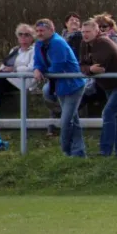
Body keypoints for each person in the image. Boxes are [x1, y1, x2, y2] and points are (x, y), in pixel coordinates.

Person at [33, 19, 87, 157]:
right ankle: (78, 152)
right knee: (73, 120)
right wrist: (37, 69)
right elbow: (38, 62)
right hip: (60, 86)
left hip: (73, 85)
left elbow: (58, 66)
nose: (39, 33)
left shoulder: (57, 43)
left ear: (51, 30)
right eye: (37, 31)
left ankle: (66, 151)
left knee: (66, 120)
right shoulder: (39, 44)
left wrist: (43, 72)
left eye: (42, 31)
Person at [80, 20, 117, 157]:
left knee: (108, 113)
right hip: (107, 85)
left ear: (96, 32)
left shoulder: (103, 42)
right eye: (83, 32)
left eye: (88, 32)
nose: (85, 35)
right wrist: (90, 68)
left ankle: (105, 151)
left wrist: (89, 68)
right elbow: (82, 65)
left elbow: (101, 67)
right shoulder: (84, 44)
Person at [0, 24, 38, 110]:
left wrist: (14, 69)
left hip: (25, 80)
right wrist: (5, 70)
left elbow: (31, 68)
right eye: (20, 34)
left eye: (26, 35)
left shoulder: (34, 50)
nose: (23, 37)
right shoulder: (15, 50)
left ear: (32, 37)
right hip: (11, 79)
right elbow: (4, 65)